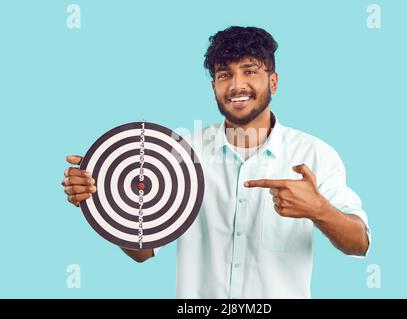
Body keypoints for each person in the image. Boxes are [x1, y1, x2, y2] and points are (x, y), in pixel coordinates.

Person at [61, 26, 370, 298]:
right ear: (213, 87)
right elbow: (143, 251)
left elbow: (359, 243)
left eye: (250, 71)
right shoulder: (179, 152)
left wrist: (319, 209)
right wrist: (102, 202)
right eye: (225, 75)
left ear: (273, 82)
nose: (237, 85)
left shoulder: (314, 154)